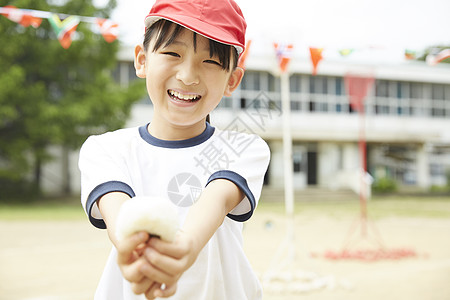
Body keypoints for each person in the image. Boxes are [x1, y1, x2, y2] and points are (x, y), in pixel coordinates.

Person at [79, 0, 270, 299]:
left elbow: (217, 199)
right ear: (142, 60)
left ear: (232, 79)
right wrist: (135, 254)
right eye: (172, 53)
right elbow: (119, 215)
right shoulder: (105, 149)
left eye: (211, 61)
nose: (188, 76)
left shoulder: (243, 147)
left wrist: (186, 247)